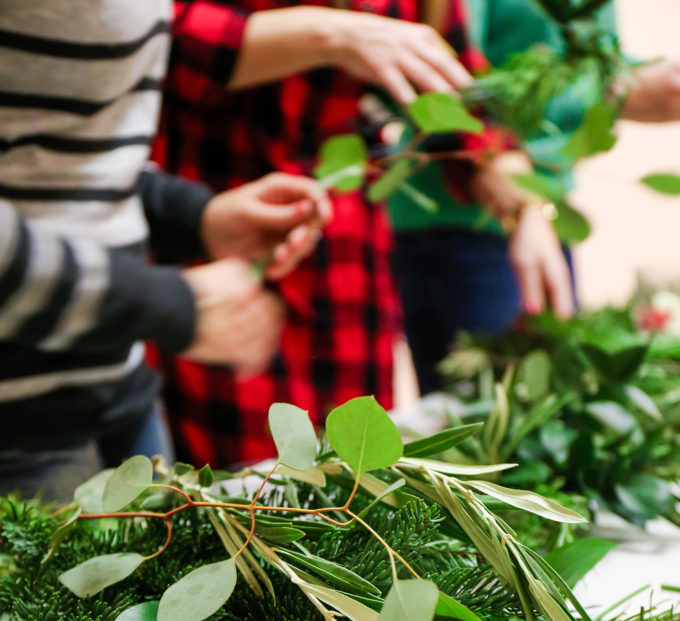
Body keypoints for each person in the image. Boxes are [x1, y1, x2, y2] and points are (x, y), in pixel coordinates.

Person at [153, 0, 510, 466]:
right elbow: (162, 44)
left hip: (347, 257)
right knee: (233, 494)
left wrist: (518, 188)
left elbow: (453, 82)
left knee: (356, 470)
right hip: (220, 233)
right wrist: (333, 35)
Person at [0, 1, 329, 502]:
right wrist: (162, 302)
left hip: (122, 395)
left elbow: (62, 156)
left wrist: (197, 218)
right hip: (21, 430)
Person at [390, 0, 680, 394]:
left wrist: (640, 82)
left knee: (552, 396)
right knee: (496, 409)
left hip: (542, 212)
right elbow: (444, 71)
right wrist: (523, 203)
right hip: (464, 221)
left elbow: (587, 71)